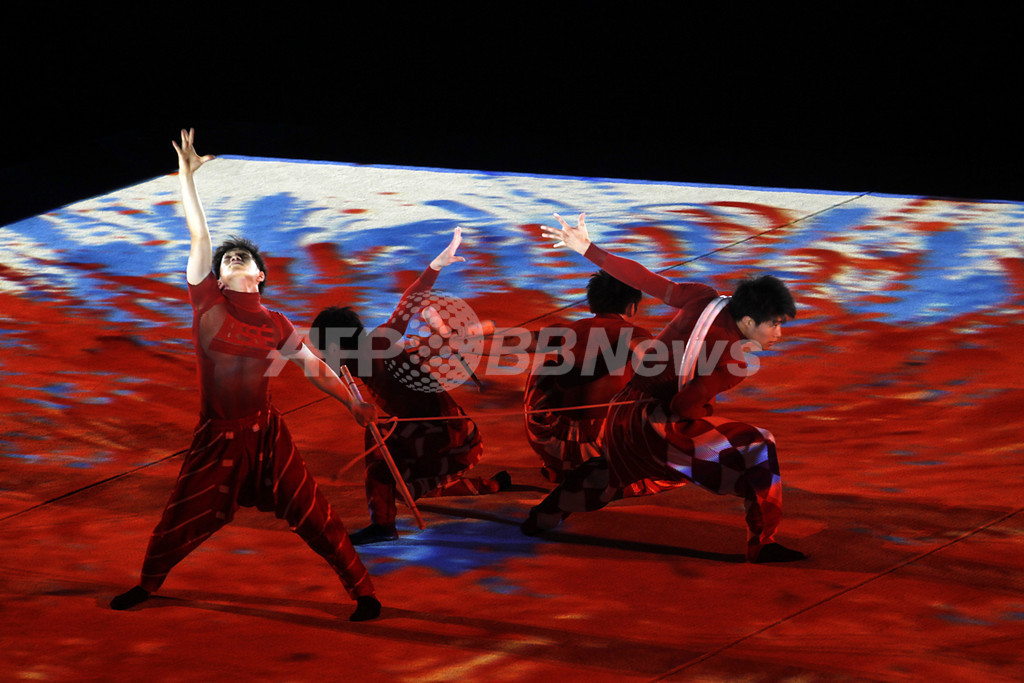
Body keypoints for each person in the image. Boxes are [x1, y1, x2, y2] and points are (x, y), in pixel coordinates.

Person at [110, 129, 382, 621]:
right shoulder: (207, 302)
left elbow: (315, 368)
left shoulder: (276, 321)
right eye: (226, 260)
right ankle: (148, 584)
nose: (234, 258)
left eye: (245, 257)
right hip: (216, 440)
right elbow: (199, 235)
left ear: (259, 274)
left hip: (268, 435)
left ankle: (363, 591)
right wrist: (187, 177)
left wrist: (353, 403)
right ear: (215, 278)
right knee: (180, 519)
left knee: (314, 512)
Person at [523, 212, 806, 564]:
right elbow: (686, 404)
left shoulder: (703, 297)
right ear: (748, 321)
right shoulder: (737, 358)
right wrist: (703, 410)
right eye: (775, 326)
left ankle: (546, 514)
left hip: (621, 413)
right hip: (655, 425)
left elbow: (647, 280)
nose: (778, 335)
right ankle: (763, 543)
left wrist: (588, 249)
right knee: (757, 445)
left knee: (624, 468)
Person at [310, 227, 510, 546]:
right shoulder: (372, 345)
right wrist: (436, 266)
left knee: (384, 463)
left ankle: (384, 525)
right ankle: (490, 486)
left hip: (451, 440)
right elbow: (408, 304)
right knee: (405, 483)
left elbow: (408, 301)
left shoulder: (375, 348)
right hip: (450, 436)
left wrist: (435, 267)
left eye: (325, 349)